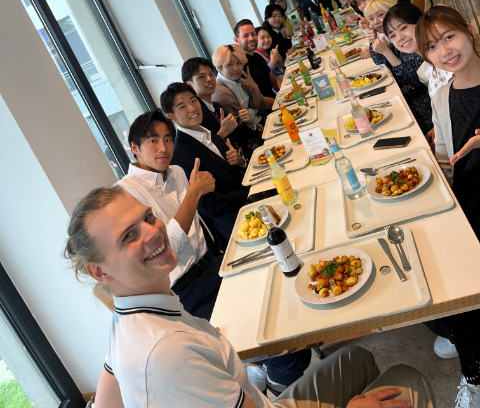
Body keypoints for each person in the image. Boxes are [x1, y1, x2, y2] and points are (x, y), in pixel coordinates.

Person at [66, 186, 437, 408]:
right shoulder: (165, 353)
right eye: (128, 236)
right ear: (100, 271)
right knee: (407, 379)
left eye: (148, 217)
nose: (152, 232)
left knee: (354, 359)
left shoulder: (125, 321)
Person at [416, 5, 480, 406]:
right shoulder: (440, 96)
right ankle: (473, 377)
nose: (446, 50)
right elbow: (445, 158)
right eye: (434, 47)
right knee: (454, 292)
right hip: (468, 203)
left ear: (468, 30)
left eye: (449, 37)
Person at [114, 109, 222, 319]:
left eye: (168, 139)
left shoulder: (178, 172)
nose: (163, 148)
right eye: (153, 141)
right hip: (184, 291)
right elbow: (167, 245)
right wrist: (194, 193)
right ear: (134, 147)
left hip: (211, 263)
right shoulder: (126, 192)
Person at [161, 83, 249, 195]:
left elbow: (233, 172)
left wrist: (241, 162)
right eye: (182, 106)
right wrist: (249, 195)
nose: (192, 108)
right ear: (172, 116)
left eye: (193, 101)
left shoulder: (207, 132)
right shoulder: (180, 155)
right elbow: (208, 205)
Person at [365, 0, 433, 135]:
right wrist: (374, 42)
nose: (376, 21)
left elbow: (409, 78)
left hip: (421, 100)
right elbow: (380, 61)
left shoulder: (420, 47)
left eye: (380, 15)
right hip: (418, 96)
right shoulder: (391, 39)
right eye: (371, 18)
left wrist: (386, 51)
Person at [212, 43, 266, 136]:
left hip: (260, 122)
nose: (236, 68)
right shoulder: (221, 91)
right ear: (219, 68)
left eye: (239, 63)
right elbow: (242, 124)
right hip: (253, 134)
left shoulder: (238, 79)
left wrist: (254, 87)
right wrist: (262, 129)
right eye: (230, 64)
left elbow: (258, 106)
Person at [234, 20, 280, 107]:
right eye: (246, 36)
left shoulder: (257, 56)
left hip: (277, 102)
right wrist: (281, 102)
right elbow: (256, 100)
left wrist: (290, 91)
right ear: (237, 40)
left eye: (253, 34)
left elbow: (275, 82)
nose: (251, 38)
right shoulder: (240, 66)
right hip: (268, 111)